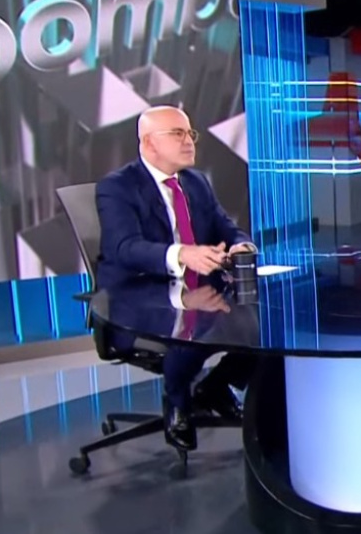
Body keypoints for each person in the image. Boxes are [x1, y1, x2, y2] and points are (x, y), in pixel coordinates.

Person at [96, 105, 258, 452]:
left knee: (267, 326)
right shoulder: (117, 187)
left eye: (190, 134)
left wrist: (241, 244)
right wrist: (183, 254)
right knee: (193, 327)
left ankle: (216, 386)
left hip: (194, 288)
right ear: (148, 143)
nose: (189, 141)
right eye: (177, 134)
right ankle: (178, 400)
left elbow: (225, 226)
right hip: (136, 296)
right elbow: (124, 248)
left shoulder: (196, 182)